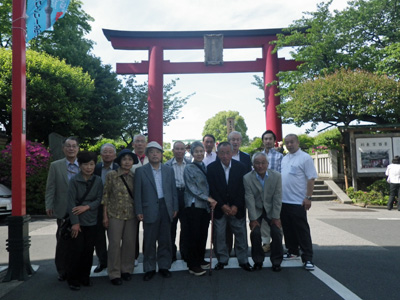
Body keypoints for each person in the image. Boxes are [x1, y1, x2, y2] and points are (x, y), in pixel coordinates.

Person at [134, 141, 178, 281]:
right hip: (149, 208)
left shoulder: (168, 170)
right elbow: (137, 193)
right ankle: (149, 268)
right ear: (147, 154)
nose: (155, 154)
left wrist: (175, 207)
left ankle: (164, 266)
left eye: (157, 152)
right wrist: (139, 210)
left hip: (166, 207)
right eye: (152, 152)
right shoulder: (141, 171)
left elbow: (173, 190)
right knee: (149, 240)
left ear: (161, 155)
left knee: (165, 239)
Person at [207, 142, 252, 272]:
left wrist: (236, 205)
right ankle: (222, 259)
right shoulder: (211, 168)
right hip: (220, 208)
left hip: (237, 208)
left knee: (241, 234)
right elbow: (212, 189)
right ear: (217, 154)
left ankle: (243, 260)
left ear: (232, 153)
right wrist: (222, 205)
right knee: (220, 235)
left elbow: (243, 188)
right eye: (222, 153)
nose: (225, 156)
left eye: (228, 153)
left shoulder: (241, 167)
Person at [66, 151, 103, 290]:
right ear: (80, 165)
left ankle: (85, 277)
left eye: (92, 164)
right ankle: (73, 279)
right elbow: (70, 203)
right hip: (77, 222)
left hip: (92, 220)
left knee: (88, 250)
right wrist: (75, 222)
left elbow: (99, 199)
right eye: (86, 164)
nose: (89, 167)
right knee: (76, 250)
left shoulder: (98, 180)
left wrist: (87, 206)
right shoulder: (74, 180)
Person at [281, 134, 317, 271]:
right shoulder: (285, 158)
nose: (289, 145)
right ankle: (292, 251)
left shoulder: (305, 158)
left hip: (298, 201)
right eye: (287, 143)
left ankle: (307, 257)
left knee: (301, 230)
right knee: (288, 229)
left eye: (292, 142)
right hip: (284, 200)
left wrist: (308, 197)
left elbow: (311, 179)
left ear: (297, 142)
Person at [45, 137, 79, 281]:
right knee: (62, 241)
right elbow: (50, 187)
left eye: (74, 146)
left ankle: (77, 270)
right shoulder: (55, 166)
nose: (71, 149)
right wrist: (49, 204)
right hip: (63, 209)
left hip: (81, 209)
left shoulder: (84, 165)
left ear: (78, 148)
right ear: (63, 148)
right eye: (68, 146)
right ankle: (62, 270)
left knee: (78, 242)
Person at [102, 149, 139, 285]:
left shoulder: (135, 176)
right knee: (114, 244)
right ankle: (114, 273)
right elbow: (105, 195)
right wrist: (104, 216)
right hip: (114, 214)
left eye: (130, 159)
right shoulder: (111, 175)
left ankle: (126, 270)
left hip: (131, 214)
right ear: (119, 161)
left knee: (129, 243)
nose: (127, 162)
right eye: (124, 159)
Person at [243, 152, 283, 272]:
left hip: (271, 209)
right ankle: (258, 260)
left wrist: (276, 217)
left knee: (276, 232)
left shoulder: (276, 176)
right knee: (255, 233)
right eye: (257, 163)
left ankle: (276, 261)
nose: (260, 166)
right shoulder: (247, 178)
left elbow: (277, 197)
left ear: (267, 164)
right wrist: (253, 219)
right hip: (257, 208)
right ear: (253, 165)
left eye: (263, 163)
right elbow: (249, 199)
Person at [183, 141, 217, 276]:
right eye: (196, 151)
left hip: (204, 207)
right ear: (192, 153)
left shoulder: (203, 165)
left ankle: (200, 259)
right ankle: (193, 264)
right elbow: (192, 188)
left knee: (202, 234)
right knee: (193, 235)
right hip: (193, 206)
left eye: (201, 151)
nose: (199, 154)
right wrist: (209, 198)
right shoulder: (189, 168)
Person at [93, 143, 119, 273]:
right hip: (97, 206)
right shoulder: (95, 168)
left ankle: (115, 262)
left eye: (110, 152)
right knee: (99, 236)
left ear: (115, 155)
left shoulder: (119, 168)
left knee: (114, 236)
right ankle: (102, 261)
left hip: (115, 206)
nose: (108, 154)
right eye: (105, 152)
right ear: (101, 155)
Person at [226, 131, 252, 255]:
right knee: (226, 227)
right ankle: (226, 250)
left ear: (241, 141)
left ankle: (240, 251)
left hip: (241, 196)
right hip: (225, 197)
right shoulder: (222, 155)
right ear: (228, 141)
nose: (235, 142)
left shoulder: (246, 157)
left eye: (237, 140)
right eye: (232, 140)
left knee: (240, 225)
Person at [165, 141, 191, 262]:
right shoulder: (166, 165)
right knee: (171, 228)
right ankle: (171, 254)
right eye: (177, 149)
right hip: (172, 197)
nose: (179, 151)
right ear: (173, 151)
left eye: (182, 149)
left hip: (186, 196)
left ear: (185, 150)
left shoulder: (190, 164)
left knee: (186, 228)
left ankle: (185, 252)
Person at [260, 130, 283, 253]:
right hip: (262, 193)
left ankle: (277, 242)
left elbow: (281, 174)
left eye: (270, 139)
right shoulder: (258, 156)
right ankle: (265, 242)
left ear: (274, 141)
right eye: (265, 139)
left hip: (275, 192)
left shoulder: (280, 157)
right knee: (264, 219)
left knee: (277, 217)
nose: (268, 141)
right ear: (263, 141)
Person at [131, 134, 149, 266]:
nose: (140, 144)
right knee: (133, 231)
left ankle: (148, 255)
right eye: (137, 141)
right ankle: (134, 256)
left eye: (142, 141)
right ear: (133, 144)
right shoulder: (128, 158)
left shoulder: (151, 158)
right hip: (132, 199)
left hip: (148, 200)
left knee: (149, 230)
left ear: (146, 144)